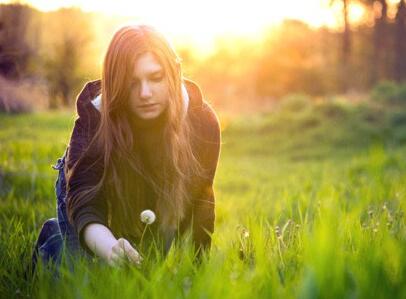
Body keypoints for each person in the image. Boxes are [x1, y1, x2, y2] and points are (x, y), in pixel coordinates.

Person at [31, 25, 221, 270]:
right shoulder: (95, 116)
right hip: (94, 199)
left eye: (155, 78)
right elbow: (87, 201)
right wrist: (110, 248)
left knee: (143, 275)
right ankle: (57, 239)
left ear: (174, 73)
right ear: (116, 81)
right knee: (87, 281)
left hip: (151, 194)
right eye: (132, 83)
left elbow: (200, 203)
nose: (145, 93)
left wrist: (195, 274)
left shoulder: (202, 121)